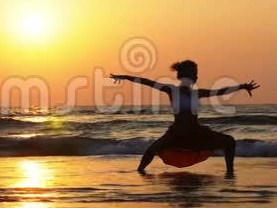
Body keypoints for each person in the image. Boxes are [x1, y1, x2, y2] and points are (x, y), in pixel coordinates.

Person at [110, 60, 259, 175]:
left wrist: (241, 87)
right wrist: (125, 77)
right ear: (187, 76)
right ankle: (140, 172)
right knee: (151, 151)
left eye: (196, 73)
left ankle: (230, 173)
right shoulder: (174, 90)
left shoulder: (194, 93)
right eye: (194, 73)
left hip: (193, 134)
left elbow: (220, 91)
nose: (196, 75)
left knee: (229, 142)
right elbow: (146, 82)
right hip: (179, 135)